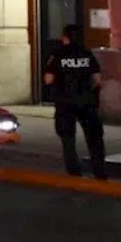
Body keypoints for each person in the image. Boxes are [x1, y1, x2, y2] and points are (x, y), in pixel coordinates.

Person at [43, 24, 107, 179]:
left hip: (65, 103)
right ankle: (99, 171)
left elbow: (48, 79)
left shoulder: (58, 54)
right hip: (87, 102)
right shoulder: (87, 53)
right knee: (94, 138)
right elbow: (98, 80)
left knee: (68, 139)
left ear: (65, 37)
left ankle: (74, 172)